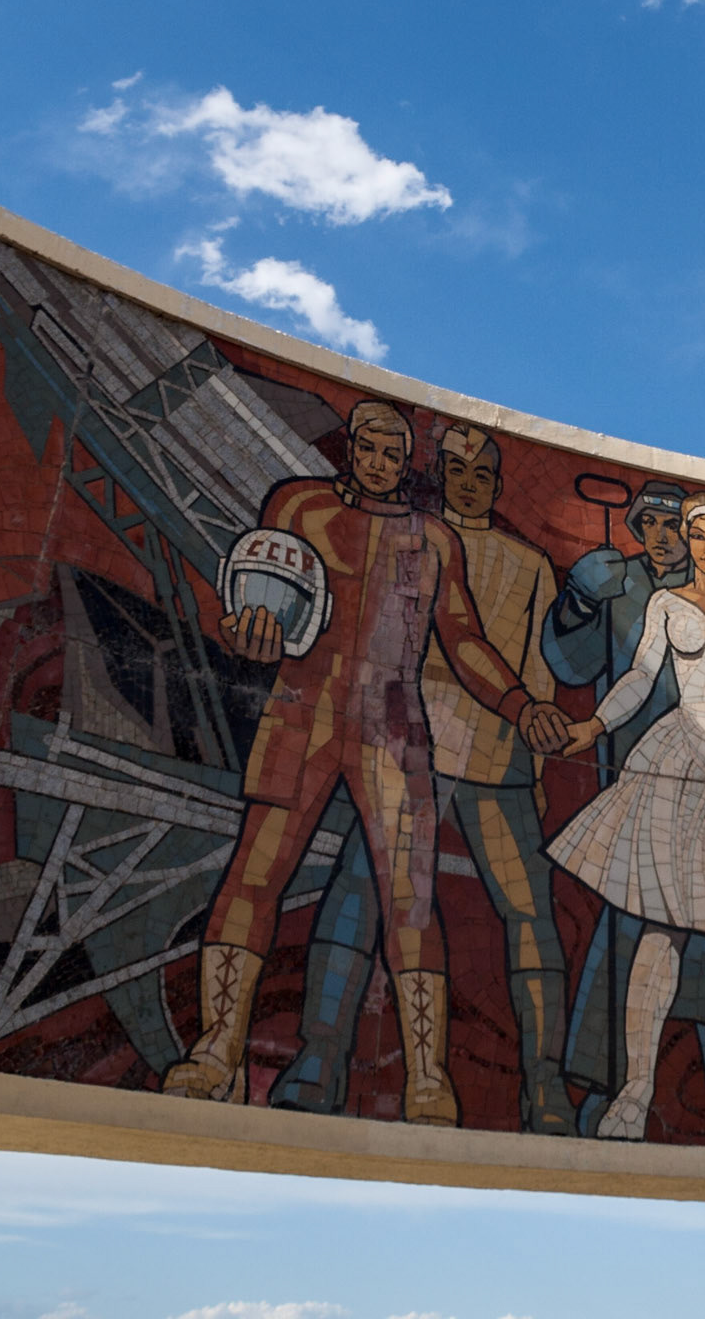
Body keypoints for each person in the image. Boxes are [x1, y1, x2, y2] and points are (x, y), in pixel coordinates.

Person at [163, 401, 568, 1123]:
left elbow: (463, 637)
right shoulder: (298, 504)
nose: (380, 461)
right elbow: (248, 595)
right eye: (369, 447)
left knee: (409, 901)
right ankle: (216, 1050)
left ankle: (427, 1079)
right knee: (255, 872)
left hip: (393, 724)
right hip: (302, 708)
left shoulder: (433, 539)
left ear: (408, 461)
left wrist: (516, 704)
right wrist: (241, 630)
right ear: (349, 448)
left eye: (393, 451)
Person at [270, 422, 575, 1133]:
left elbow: (531, 665)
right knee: (360, 893)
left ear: (496, 484)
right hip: (409, 742)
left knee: (529, 912)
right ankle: (318, 1061)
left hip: (494, 754)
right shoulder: (412, 536)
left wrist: (529, 760)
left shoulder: (528, 562)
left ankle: (546, 1089)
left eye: (481, 471)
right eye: (456, 468)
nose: (469, 481)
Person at [550, 493, 705, 1147]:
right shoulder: (664, 603)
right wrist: (592, 725)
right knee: (661, 923)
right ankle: (636, 1089)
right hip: (679, 751)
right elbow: (639, 675)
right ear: (688, 538)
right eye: (700, 535)